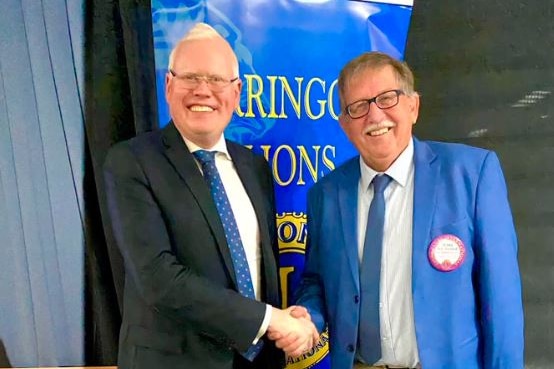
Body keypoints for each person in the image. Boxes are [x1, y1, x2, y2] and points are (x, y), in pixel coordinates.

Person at [104, 23, 318, 369]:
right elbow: (159, 279)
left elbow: (260, 270)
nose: (203, 91)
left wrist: (285, 317)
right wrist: (269, 319)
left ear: (236, 93)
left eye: (217, 80)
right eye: (190, 77)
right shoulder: (132, 162)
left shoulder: (255, 167)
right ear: (169, 86)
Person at [291, 51, 524, 369]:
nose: (374, 116)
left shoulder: (471, 174)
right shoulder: (326, 194)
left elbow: (502, 300)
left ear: (413, 106)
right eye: (358, 107)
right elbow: (316, 280)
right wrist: (308, 317)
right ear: (344, 125)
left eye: (387, 98)